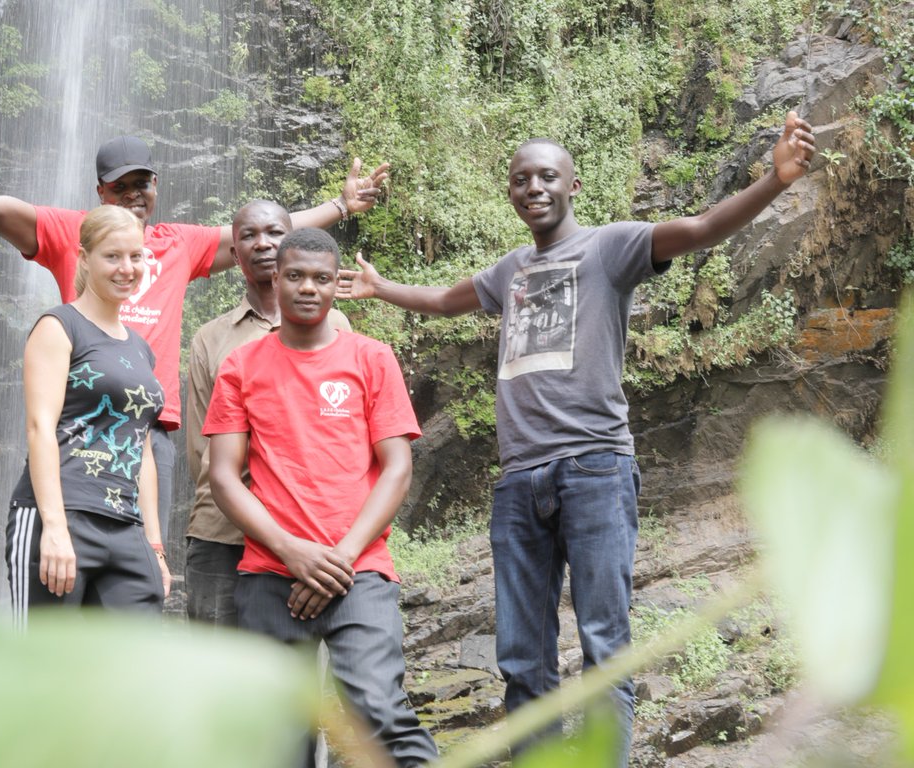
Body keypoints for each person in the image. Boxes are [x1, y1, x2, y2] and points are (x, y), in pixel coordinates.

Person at [336, 112, 816, 763]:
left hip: (594, 468)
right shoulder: (509, 271)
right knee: (521, 660)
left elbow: (702, 228)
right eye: (520, 179)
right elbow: (447, 299)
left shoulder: (610, 248)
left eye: (546, 177)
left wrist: (776, 180)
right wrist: (379, 288)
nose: (532, 188)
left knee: (604, 649)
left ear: (573, 185)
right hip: (518, 482)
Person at [0, 104, 389, 542]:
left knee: (144, 556)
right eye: (120, 187)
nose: (133, 195)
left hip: (150, 428)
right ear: (100, 193)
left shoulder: (180, 243)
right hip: (82, 419)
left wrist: (341, 206)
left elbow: (262, 234)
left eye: (141, 184)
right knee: (68, 551)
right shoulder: (72, 234)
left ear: (156, 187)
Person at [205, 228, 439, 767]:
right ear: (275, 279)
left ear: (337, 285)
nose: (307, 287)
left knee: (380, 713)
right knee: (277, 734)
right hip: (271, 574)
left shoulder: (372, 358)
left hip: (360, 571)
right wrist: (292, 552)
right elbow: (223, 476)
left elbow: (397, 468)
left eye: (321, 278)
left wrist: (339, 559)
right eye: (295, 276)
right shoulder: (241, 366)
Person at [184, 200, 352, 626]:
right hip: (222, 533)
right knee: (213, 657)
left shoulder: (336, 327)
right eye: (248, 236)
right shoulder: (210, 339)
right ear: (234, 254)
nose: (262, 243)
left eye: (275, 233)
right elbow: (200, 449)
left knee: (289, 663)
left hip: (308, 531)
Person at [6, 205, 168, 629]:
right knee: (44, 662)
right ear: (84, 258)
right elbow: (40, 428)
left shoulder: (140, 348)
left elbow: (142, 448)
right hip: (63, 512)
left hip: (125, 524)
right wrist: (54, 528)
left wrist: (154, 545)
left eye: (136, 256)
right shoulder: (59, 327)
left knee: (136, 657)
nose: (127, 268)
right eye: (112, 256)